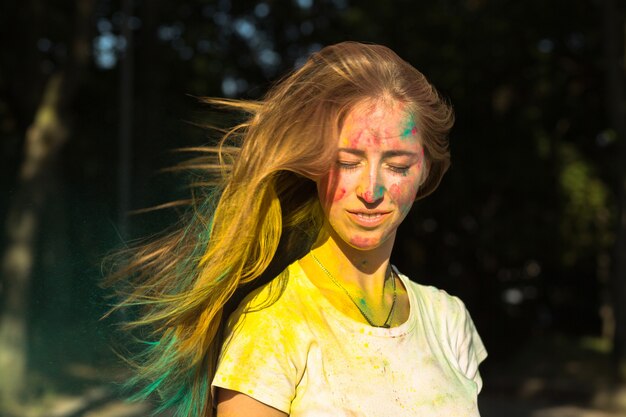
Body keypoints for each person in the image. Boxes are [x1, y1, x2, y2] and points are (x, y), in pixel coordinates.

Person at [109, 41, 487, 417]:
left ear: (425, 171)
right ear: (314, 165)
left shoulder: (449, 320)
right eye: (348, 162)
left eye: (398, 166)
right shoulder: (270, 326)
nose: (371, 190)